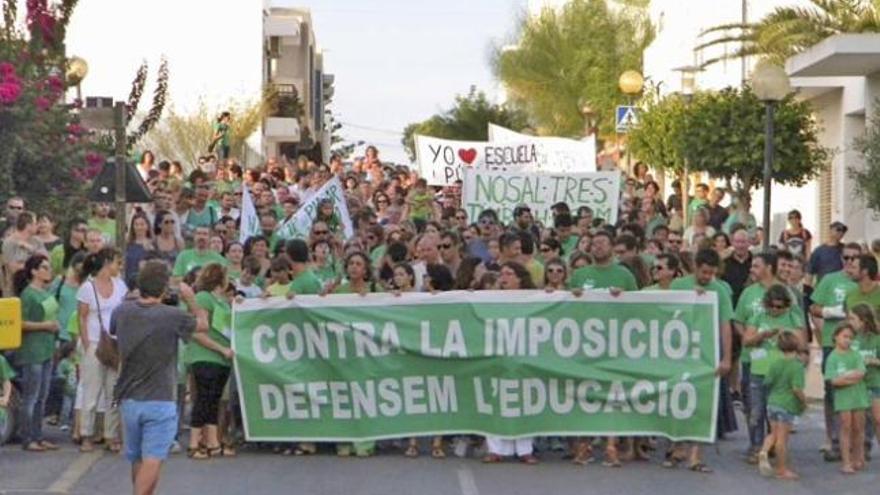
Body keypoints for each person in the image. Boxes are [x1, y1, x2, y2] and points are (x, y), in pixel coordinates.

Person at [111, 261, 207, 495]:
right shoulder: (172, 315)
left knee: (137, 458)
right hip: (160, 397)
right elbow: (203, 325)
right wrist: (191, 299)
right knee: (153, 458)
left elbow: (113, 329)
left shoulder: (122, 310)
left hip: (128, 396)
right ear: (164, 289)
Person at [669, 248, 734, 473]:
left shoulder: (720, 290)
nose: (707, 277)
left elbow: (726, 325)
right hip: (679, 354)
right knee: (677, 399)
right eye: (704, 272)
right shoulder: (678, 286)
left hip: (706, 355)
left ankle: (696, 454)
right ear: (695, 266)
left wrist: (726, 358)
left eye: (712, 273)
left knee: (703, 403)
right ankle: (677, 446)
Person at [483, 261, 539, 465]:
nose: (503, 277)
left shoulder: (534, 298)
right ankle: (496, 449)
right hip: (498, 357)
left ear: (520, 278)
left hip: (524, 357)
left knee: (524, 402)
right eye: (502, 274)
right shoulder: (490, 299)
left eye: (509, 274)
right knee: (496, 402)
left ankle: (525, 449)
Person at [742, 284, 805, 463]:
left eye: (779, 307)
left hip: (782, 372)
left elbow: (801, 343)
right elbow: (747, 340)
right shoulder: (759, 316)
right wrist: (763, 335)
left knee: (777, 411)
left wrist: (786, 334)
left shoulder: (792, 317)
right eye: (772, 306)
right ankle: (756, 446)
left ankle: (774, 446)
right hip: (760, 370)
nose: (775, 310)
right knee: (757, 410)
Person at [810, 242, 861, 459]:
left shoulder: (864, 283)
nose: (849, 262)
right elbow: (813, 307)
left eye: (854, 258)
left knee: (858, 394)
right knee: (832, 392)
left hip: (858, 346)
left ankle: (857, 444)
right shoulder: (831, 280)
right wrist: (831, 312)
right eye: (846, 257)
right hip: (833, 344)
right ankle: (831, 439)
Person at [77, 248, 127, 453]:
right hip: (95, 343)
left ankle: (110, 434)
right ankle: (86, 434)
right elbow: (81, 316)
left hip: (115, 344)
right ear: (107, 263)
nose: (119, 267)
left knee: (113, 392)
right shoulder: (87, 287)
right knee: (91, 392)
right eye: (117, 262)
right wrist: (87, 343)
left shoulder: (120, 285)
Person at [187, 263, 236, 459]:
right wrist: (220, 348)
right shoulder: (203, 298)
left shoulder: (222, 301)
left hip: (222, 359)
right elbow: (197, 332)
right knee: (204, 399)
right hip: (206, 356)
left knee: (214, 400)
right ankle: (193, 442)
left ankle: (212, 440)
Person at [14, 254, 60, 452]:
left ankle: (38, 436)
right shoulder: (28, 294)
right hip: (32, 350)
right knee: (31, 396)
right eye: (43, 267)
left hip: (47, 347)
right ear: (33, 271)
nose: (47, 270)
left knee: (42, 395)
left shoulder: (45, 292)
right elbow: (21, 323)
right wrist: (45, 325)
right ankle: (27, 438)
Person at [758, 331, 806, 480]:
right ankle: (782, 469)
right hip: (786, 404)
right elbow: (796, 388)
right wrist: (804, 401)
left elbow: (767, 382)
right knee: (782, 439)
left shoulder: (775, 364)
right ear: (796, 346)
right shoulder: (797, 366)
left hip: (772, 402)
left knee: (773, 433)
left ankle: (763, 451)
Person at [825, 324, 869, 474]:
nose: (847, 340)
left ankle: (858, 457)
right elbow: (833, 380)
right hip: (843, 398)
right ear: (836, 337)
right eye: (844, 336)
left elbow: (861, 373)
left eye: (850, 338)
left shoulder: (855, 355)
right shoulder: (832, 357)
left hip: (859, 396)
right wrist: (848, 378)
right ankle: (846, 461)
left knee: (859, 428)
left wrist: (845, 377)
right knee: (846, 428)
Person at [847, 304, 880, 454]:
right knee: (856, 424)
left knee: (877, 419)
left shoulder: (876, 338)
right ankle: (857, 454)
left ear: (863, 321)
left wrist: (873, 361)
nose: (849, 321)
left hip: (874, 382)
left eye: (853, 318)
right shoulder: (850, 338)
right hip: (855, 385)